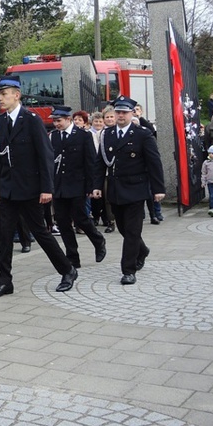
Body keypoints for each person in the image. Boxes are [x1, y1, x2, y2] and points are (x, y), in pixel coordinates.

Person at [0, 76, 77, 296]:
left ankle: (67, 269)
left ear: (16, 95)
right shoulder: (1, 122)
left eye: (3, 94)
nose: (0, 99)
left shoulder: (31, 120)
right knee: (5, 236)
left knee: (40, 232)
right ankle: (5, 281)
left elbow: (46, 156)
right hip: (8, 188)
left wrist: (47, 188)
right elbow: (0, 159)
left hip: (30, 188)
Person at [92, 96, 165, 285]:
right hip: (115, 190)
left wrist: (158, 189)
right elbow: (100, 162)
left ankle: (128, 270)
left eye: (124, 112)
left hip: (136, 189)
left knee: (132, 231)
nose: (121, 115)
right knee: (124, 229)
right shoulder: (107, 134)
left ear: (132, 113)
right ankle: (142, 250)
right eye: (118, 112)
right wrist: (96, 186)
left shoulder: (142, 134)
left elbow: (154, 162)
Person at [49, 106, 106, 269]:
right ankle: (73, 257)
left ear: (68, 119)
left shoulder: (83, 136)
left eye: (59, 120)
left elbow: (91, 162)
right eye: (54, 121)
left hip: (77, 185)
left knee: (80, 218)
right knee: (63, 222)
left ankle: (98, 240)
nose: (56, 124)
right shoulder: (53, 137)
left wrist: (92, 186)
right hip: (59, 186)